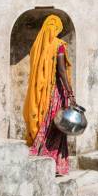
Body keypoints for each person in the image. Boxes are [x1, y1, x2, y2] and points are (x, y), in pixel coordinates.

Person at [23, 15, 76, 176]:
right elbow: (61, 70)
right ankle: (54, 163)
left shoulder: (38, 46)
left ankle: (39, 155)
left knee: (45, 124)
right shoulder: (59, 45)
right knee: (57, 125)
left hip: (43, 94)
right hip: (55, 92)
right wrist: (70, 93)